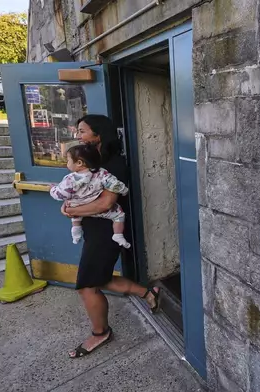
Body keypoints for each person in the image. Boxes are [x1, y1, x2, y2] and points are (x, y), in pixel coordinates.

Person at [61, 114, 160, 358]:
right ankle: (147, 293)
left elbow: (105, 204)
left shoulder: (114, 165)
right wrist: (70, 205)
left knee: (87, 286)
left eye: (82, 131)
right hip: (94, 229)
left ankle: (100, 333)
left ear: (98, 135)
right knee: (101, 279)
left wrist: (72, 210)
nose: (78, 135)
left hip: (108, 230)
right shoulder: (92, 162)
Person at [50, 144, 131, 248]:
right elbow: (114, 184)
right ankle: (118, 234)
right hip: (97, 207)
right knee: (119, 214)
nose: (67, 163)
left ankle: (76, 231)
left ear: (79, 163)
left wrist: (52, 189)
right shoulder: (101, 173)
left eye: (68, 160)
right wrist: (124, 190)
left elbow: (60, 194)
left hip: (77, 206)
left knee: (74, 215)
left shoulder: (70, 179)